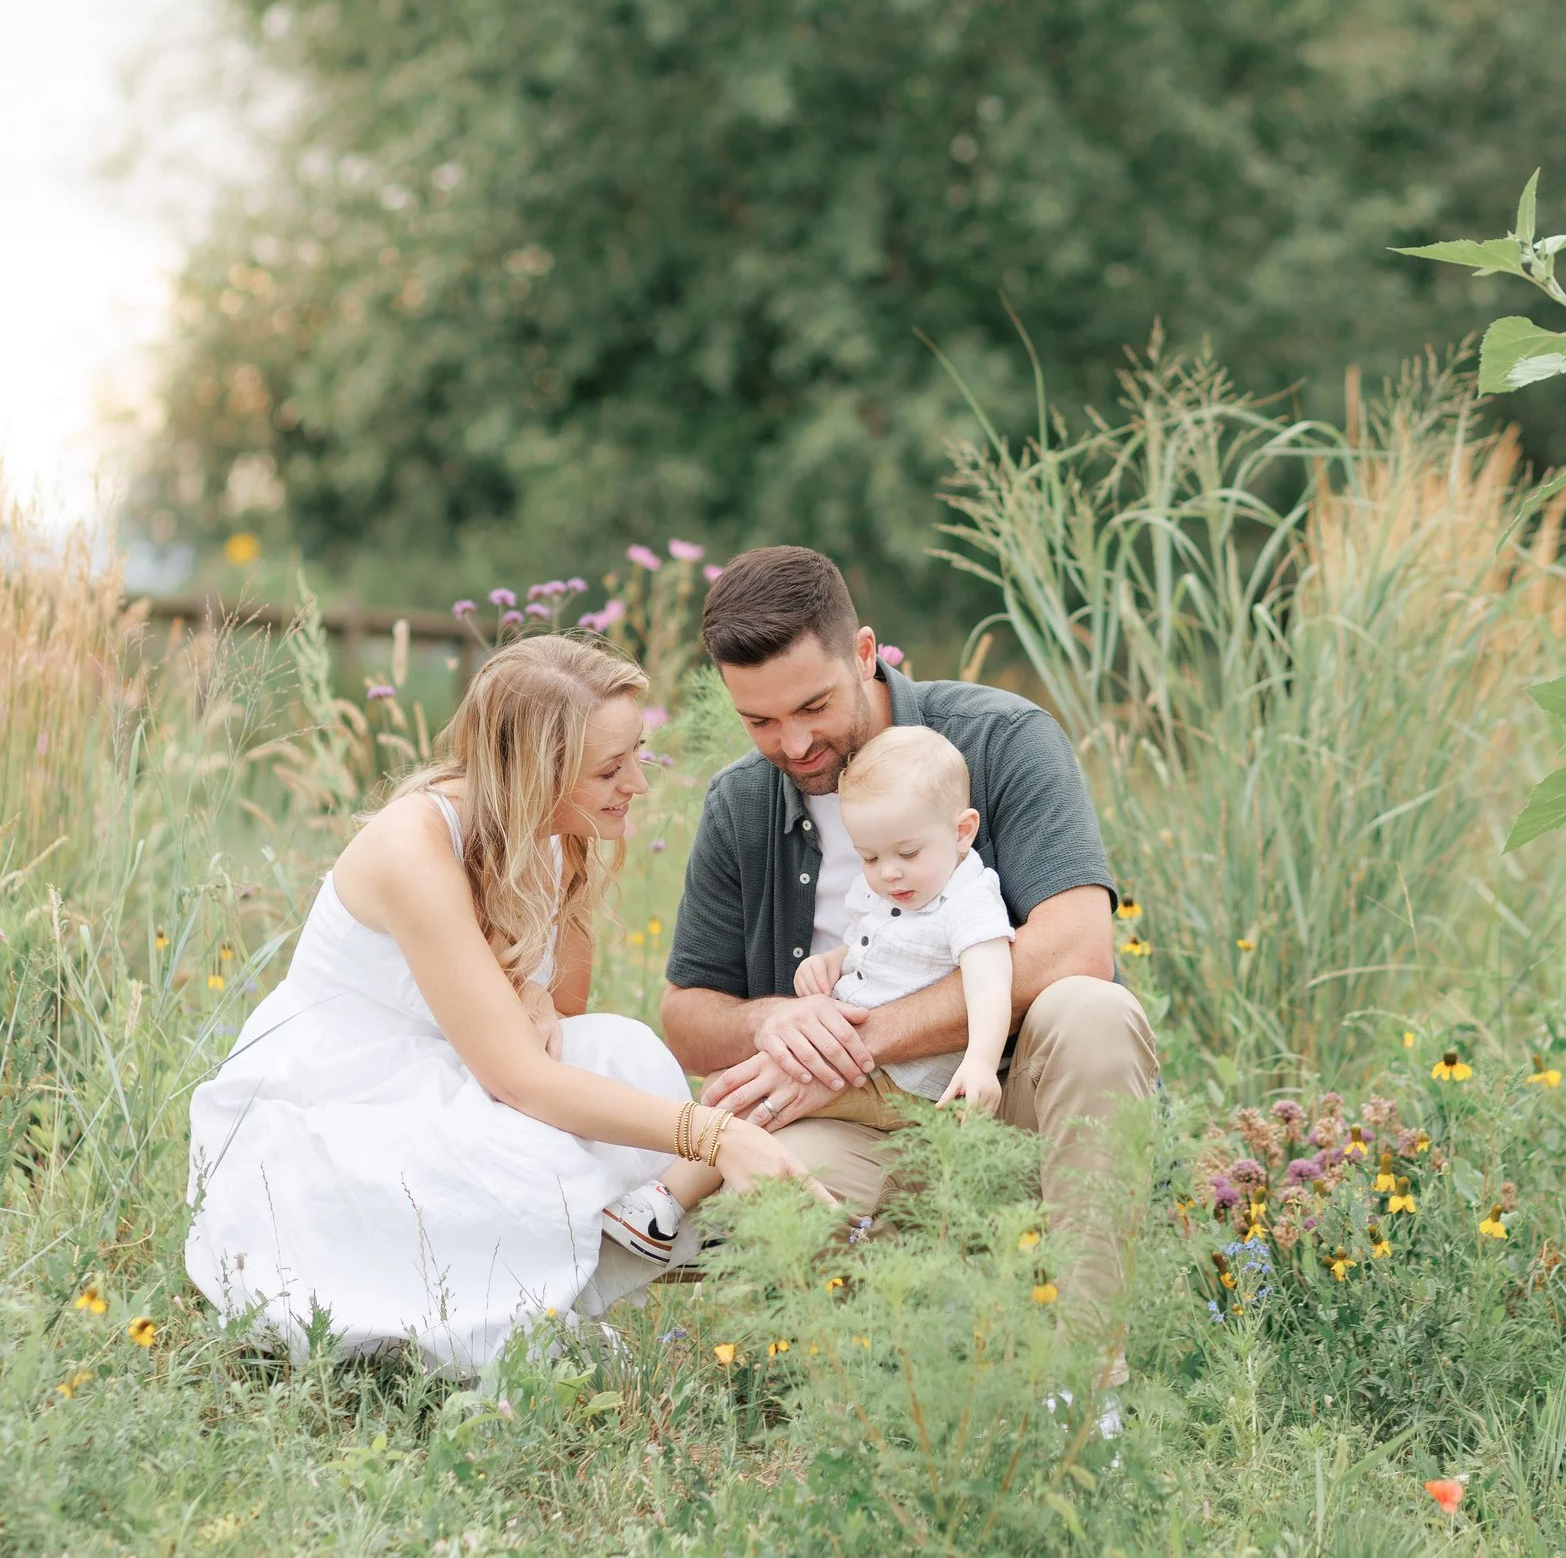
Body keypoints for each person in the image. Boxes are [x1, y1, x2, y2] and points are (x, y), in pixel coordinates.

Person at [185, 635, 822, 1373]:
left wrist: (531, 989)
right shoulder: (414, 845)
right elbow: (519, 1078)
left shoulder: (556, 831)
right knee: (528, 1144)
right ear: (533, 773)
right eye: (609, 770)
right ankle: (502, 1321)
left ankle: (546, 1281)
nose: (637, 785)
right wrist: (714, 1135)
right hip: (342, 1103)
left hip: (456, 1076)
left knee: (623, 1052)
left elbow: (565, 1017)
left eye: (636, 755)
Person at [662, 545, 1160, 1398]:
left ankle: (1086, 1386)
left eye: (813, 705)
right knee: (768, 1207)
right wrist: (773, 1022)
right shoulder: (740, 803)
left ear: (864, 653)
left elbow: (1078, 947)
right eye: (760, 721)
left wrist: (860, 1043)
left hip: (1004, 1100)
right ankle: (907, 1365)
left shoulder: (1002, 740)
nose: (794, 742)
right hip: (860, 1124)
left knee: (1093, 1011)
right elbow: (685, 1014)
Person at [790, 724, 1014, 1122]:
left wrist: (981, 1062)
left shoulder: (969, 900)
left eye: (908, 853)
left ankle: (687, 1164)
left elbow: (990, 986)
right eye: (869, 857)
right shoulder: (884, 889)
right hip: (863, 1061)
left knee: (757, 1106)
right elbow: (868, 944)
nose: (888, 873)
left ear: (963, 832)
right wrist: (831, 962)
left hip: (909, 1084)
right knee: (737, 1087)